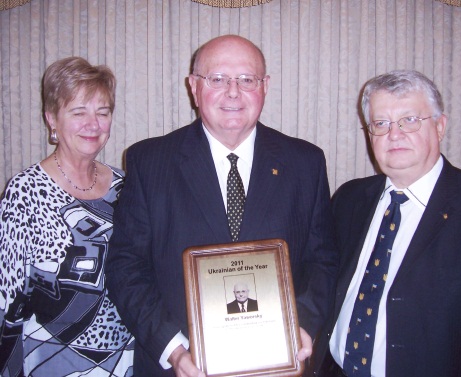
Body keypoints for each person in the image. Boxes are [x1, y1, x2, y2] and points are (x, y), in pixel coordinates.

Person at [106, 34, 338, 377]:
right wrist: (174, 350)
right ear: (194, 87)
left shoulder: (306, 162)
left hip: (276, 364)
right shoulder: (149, 162)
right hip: (182, 368)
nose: (233, 92)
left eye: (247, 79)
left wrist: (298, 327)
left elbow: (323, 260)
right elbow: (126, 268)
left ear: (265, 86)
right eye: (217, 79)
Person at [320, 70, 461, 377]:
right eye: (380, 123)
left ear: (440, 126)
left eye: (409, 120)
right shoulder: (349, 199)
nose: (394, 134)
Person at [0, 57, 134, 377]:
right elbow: (7, 303)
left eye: (103, 112)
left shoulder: (126, 185)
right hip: (50, 360)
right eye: (78, 112)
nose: (93, 124)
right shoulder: (25, 192)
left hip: (126, 359)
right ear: (51, 120)